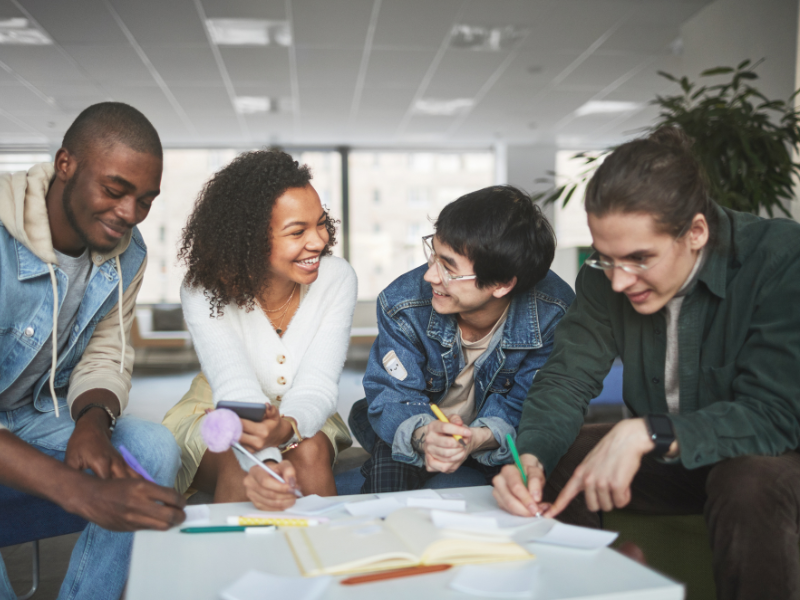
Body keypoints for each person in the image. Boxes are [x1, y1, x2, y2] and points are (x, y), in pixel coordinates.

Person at [492, 127, 800, 600]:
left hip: (770, 459)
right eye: (606, 259)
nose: (618, 282)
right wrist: (530, 457)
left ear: (696, 231)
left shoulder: (779, 257)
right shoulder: (605, 278)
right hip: (675, 461)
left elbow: (777, 414)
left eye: (639, 259)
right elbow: (565, 380)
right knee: (560, 454)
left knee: (745, 480)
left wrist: (647, 431)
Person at [0, 102, 185, 599]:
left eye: (145, 200)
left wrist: (92, 422)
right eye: (115, 190)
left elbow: (107, 352)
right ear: (66, 165)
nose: (129, 214)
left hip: (33, 414)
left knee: (152, 447)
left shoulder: (129, 253)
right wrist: (80, 492)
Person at [162, 150, 356, 509]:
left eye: (321, 223)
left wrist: (289, 427)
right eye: (297, 231)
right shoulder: (203, 289)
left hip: (306, 409)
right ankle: (242, 565)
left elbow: (317, 383)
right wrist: (266, 461)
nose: (319, 241)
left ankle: (328, 560)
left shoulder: (337, 278)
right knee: (242, 468)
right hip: (220, 411)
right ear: (248, 238)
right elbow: (235, 384)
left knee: (310, 452)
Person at [349, 186, 575, 493]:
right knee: (390, 472)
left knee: (519, 486)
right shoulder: (402, 302)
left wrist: (476, 439)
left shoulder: (553, 310)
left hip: (495, 432)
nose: (430, 276)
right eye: (434, 256)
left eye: (449, 268)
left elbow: (529, 406)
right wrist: (427, 435)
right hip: (415, 418)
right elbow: (392, 396)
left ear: (501, 284)